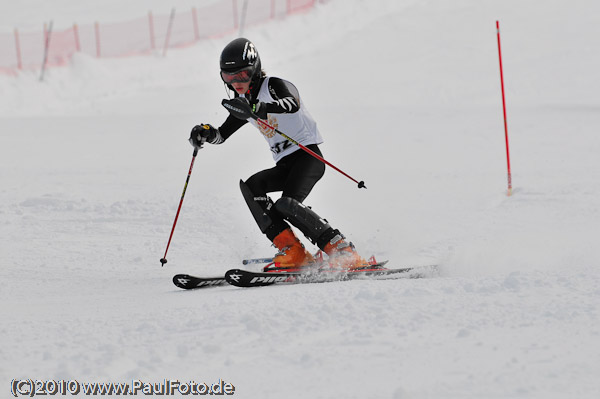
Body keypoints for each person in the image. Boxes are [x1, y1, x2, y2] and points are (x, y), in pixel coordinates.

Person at [189, 38, 369, 270]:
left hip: (308, 157)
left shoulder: (272, 85)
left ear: (254, 70)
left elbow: (291, 103)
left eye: (242, 75)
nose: (236, 82)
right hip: (285, 163)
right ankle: (293, 251)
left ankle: (342, 250)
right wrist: (204, 133)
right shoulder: (242, 102)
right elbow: (221, 135)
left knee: (287, 204)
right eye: (228, 77)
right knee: (252, 186)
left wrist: (259, 109)